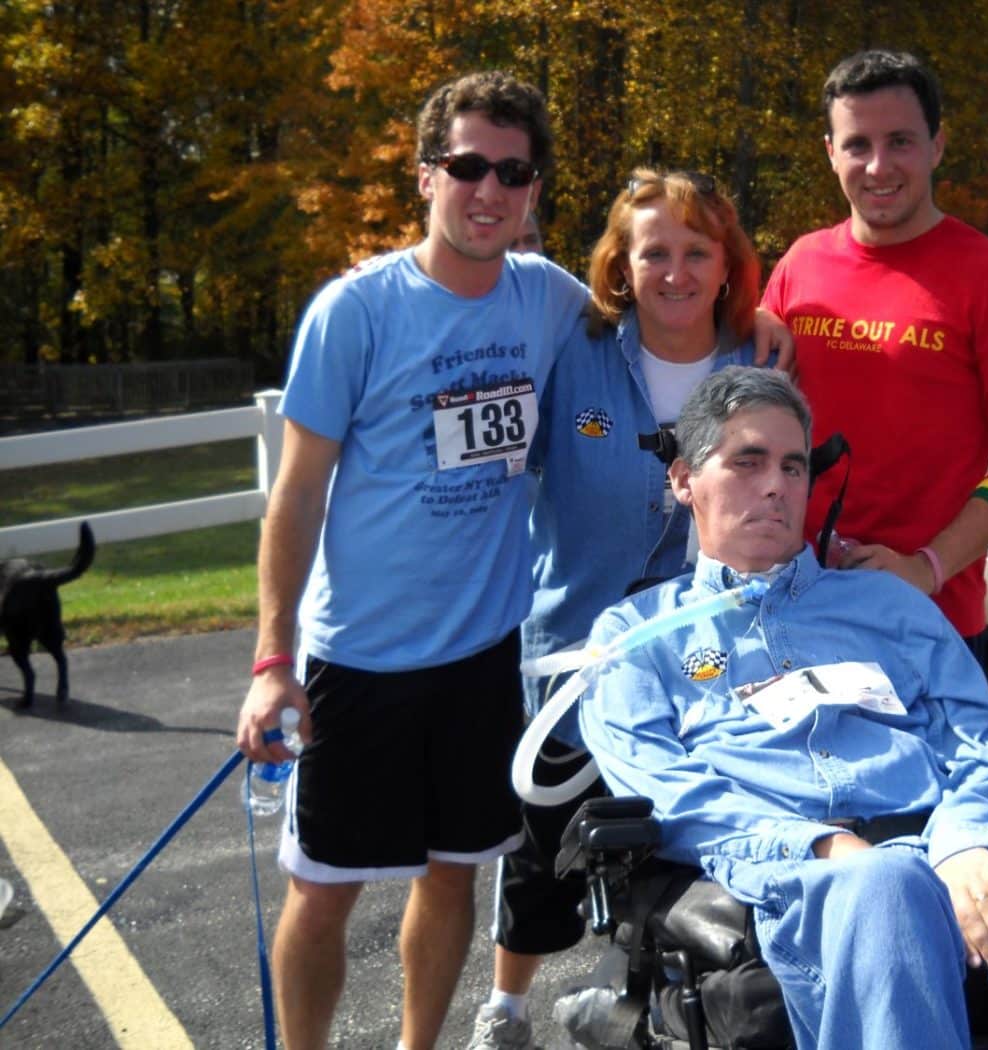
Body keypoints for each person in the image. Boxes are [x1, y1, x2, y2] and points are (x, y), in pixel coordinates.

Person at [576, 366, 988, 1050]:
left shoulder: (888, 604)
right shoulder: (637, 636)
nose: (776, 485)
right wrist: (823, 845)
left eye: (793, 466)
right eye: (748, 461)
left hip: (944, 843)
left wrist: (965, 839)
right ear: (685, 479)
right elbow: (664, 787)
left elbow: (985, 738)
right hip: (803, 877)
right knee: (884, 883)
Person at [234, 71, 590, 1050]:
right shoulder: (356, 310)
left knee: (453, 871)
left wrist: (755, 320)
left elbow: (662, 306)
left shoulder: (550, 298)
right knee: (323, 889)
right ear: (425, 175)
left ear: (532, 188)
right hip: (360, 662)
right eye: (468, 166)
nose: (489, 190)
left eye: (512, 172)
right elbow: (296, 495)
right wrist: (272, 661)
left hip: (481, 658)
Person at [468, 169, 765, 1048]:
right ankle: (507, 1007)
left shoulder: (759, 365)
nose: (675, 272)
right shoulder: (572, 355)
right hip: (573, 660)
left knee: (688, 849)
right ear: (620, 267)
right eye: (653, 252)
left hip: (708, 668)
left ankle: (664, 1010)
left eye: (696, 251)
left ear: (726, 264)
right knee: (542, 853)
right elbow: (491, 468)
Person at [760, 49, 988, 661]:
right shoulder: (800, 263)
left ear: (937, 146)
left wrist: (926, 567)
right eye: (857, 145)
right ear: (830, 153)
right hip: (795, 600)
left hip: (929, 618)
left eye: (900, 141)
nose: (878, 166)